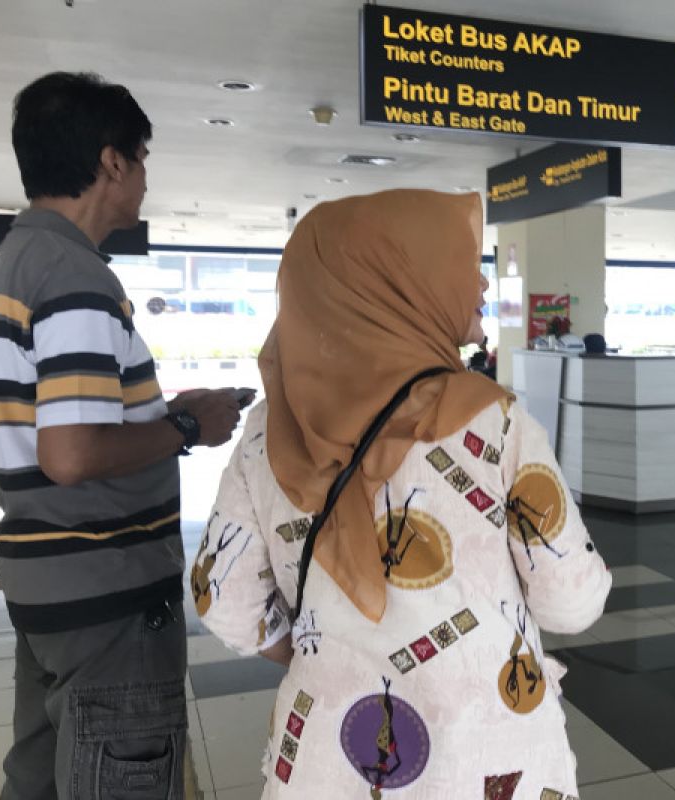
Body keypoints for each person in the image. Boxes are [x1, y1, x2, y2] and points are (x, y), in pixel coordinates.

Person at [192, 190, 611, 798]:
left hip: (323, 757)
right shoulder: (495, 422)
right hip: (483, 754)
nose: (484, 288)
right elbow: (571, 602)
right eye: (467, 266)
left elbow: (224, 602)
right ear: (407, 280)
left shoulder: (266, 429)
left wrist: (333, 651)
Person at [0, 71, 242, 800]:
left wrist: (161, 415)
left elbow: (62, 428)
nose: (146, 177)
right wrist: (188, 426)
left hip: (48, 583)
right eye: (142, 158)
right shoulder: (74, 274)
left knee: (39, 774)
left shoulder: (18, 258)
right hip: (106, 594)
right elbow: (73, 454)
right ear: (111, 162)